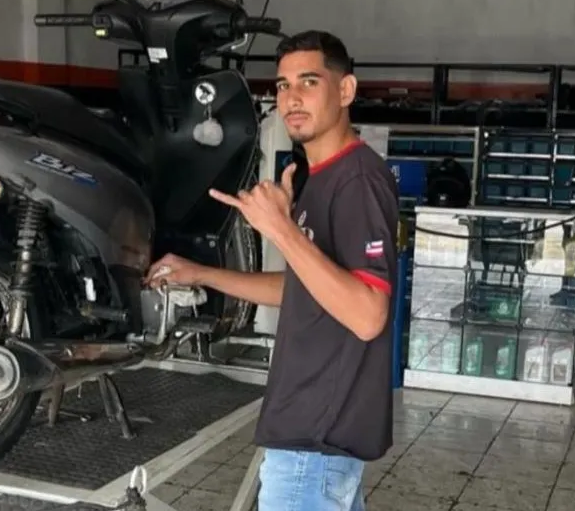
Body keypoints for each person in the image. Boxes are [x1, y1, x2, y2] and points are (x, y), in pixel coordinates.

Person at [144, 30, 399, 510]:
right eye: (283, 85)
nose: (292, 98)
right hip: (313, 441)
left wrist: (281, 230)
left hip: (313, 444)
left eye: (309, 82)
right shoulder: (319, 178)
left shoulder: (358, 181)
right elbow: (303, 288)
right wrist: (201, 274)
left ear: (345, 90)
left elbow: (368, 315)